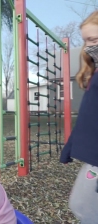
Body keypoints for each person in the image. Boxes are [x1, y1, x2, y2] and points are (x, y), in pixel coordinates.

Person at [60, 11, 98, 224]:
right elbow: (87, 116)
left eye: (94, 39)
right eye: (86, 41)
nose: (90, 47)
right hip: (93, 161)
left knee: (81, 206)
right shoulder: (94, 74)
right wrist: (70, 147)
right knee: (81, 206)